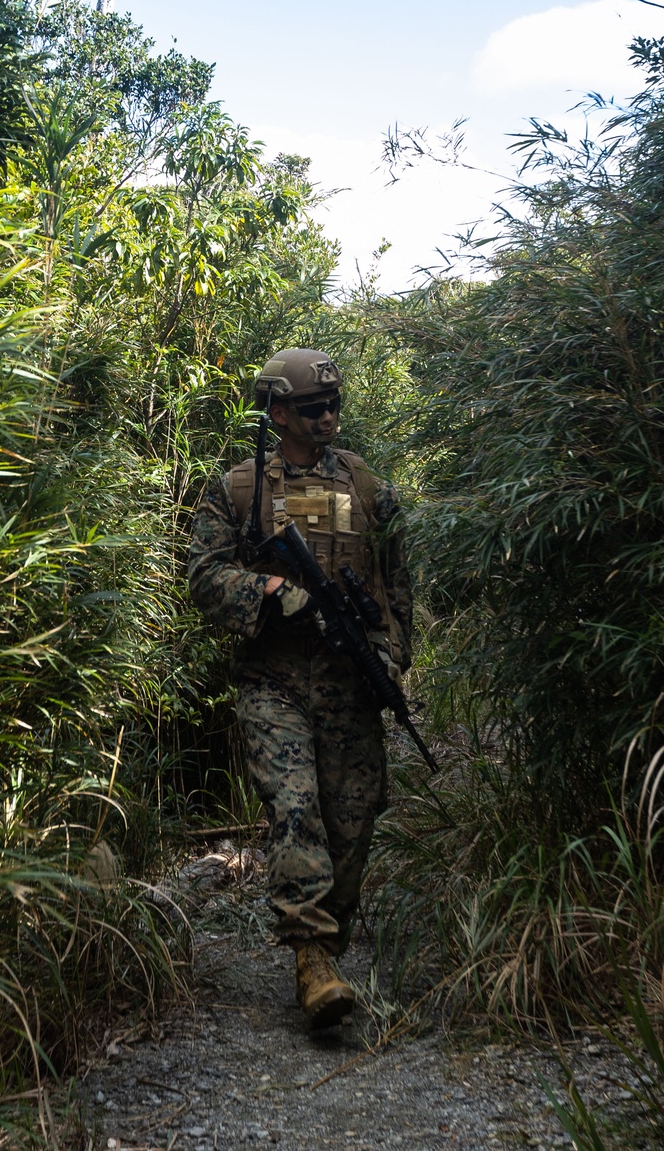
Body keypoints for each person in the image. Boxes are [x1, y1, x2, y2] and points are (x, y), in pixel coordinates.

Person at [188, 348, 413, 1030]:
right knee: (295, 809)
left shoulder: (368, 486)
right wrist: (269, 590)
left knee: (353, 817)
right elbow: (203, 575)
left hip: (350, 680)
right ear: (278, 412)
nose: (328, 418)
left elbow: (398, 581)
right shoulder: (239, 488)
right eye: (314, 408)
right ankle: (312, 957)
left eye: (333, 406)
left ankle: (328, 941)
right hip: (275, 680)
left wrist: (392, 652)